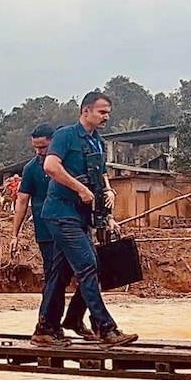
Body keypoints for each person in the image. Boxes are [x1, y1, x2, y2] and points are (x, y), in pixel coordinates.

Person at [33, 92, 137, 348]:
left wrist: (108, 199)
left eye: (108, 112)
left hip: (82, 216)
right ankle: (106, 328)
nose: (106, 117)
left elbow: (100, 176)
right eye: (102, 112)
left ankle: (46, 328)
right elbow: (50, 166)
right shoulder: (66, 135)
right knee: (88, 266)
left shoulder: (97, 142)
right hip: (60, 213)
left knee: (59, 274)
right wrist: (79, 188)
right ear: (86, 111)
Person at [10, 124, 94, 343]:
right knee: (55, 279)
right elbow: (22, 201)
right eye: (36, 148)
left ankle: (74, 318)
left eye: (43, 147)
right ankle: (49, 326)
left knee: (90, 271)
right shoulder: (31, 169)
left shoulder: (68, 165)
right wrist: (14, 234)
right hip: (48, 233)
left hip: (75, 226)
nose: (39, 152)